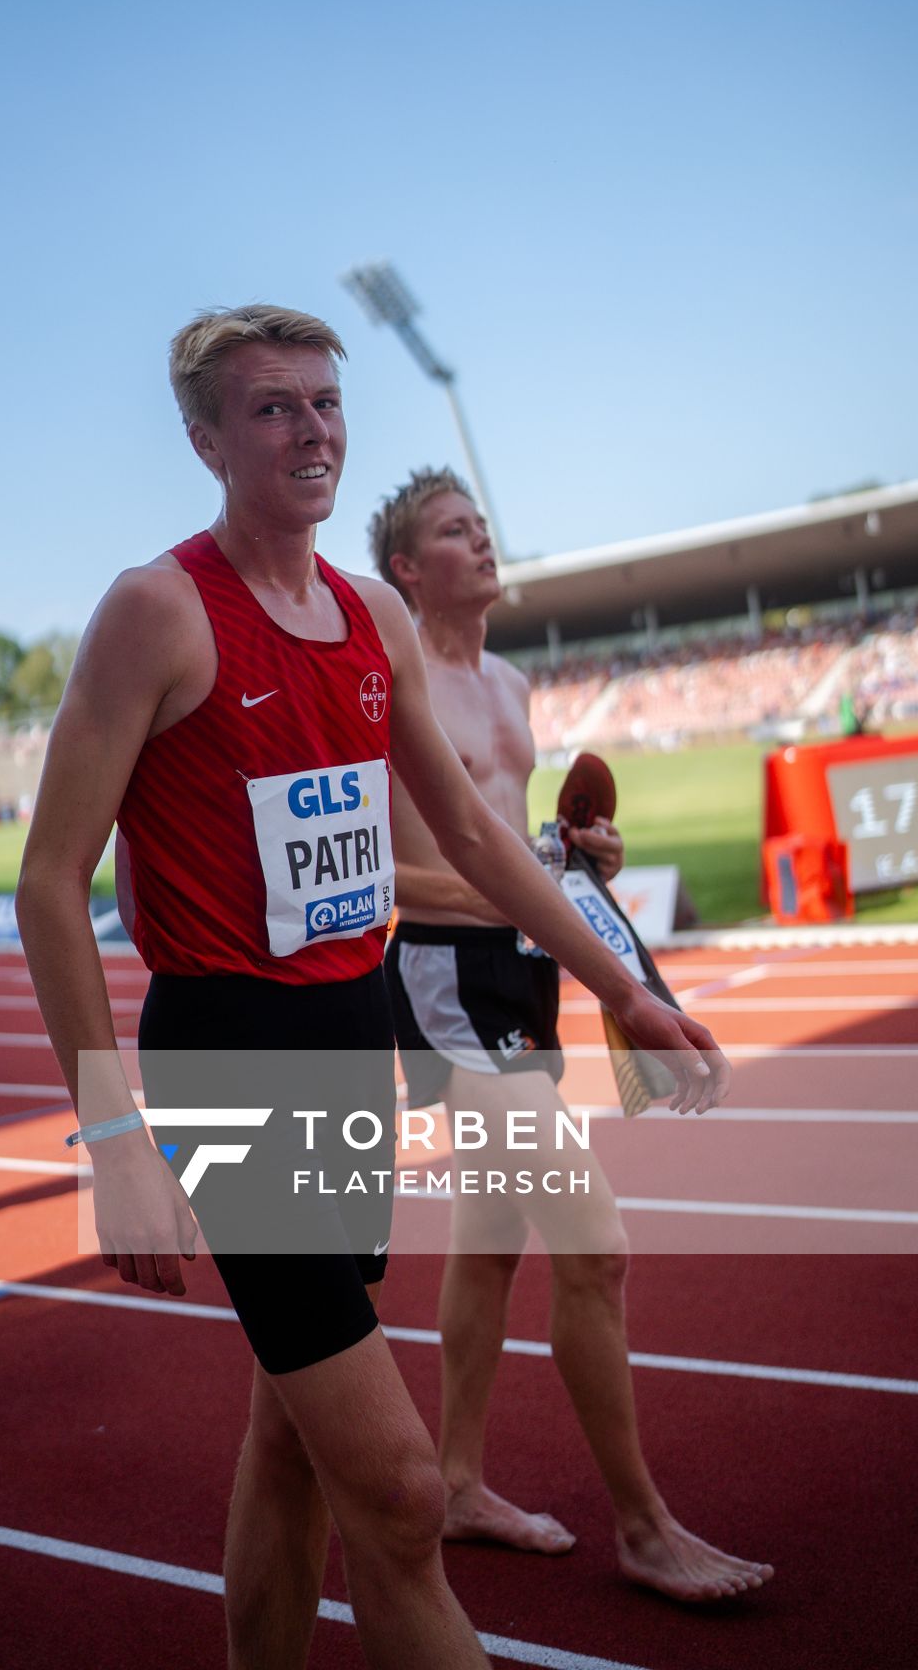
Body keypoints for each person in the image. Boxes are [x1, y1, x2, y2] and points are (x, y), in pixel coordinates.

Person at [16, 306, 730, 1670]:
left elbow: (467, 835)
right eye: (274, 407)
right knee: (399, 1493)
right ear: (207, 439)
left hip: (349, 1049)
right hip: (232, 1054)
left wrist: (621, 988)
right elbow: (52, 883)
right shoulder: (158, 610)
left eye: (327, 404)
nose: (311, 429)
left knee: (290, 1439)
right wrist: (114, 1138)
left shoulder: (371, 615)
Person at [371, 468, 773, 1602]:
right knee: (591, 1246)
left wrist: (565, 858)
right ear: (407, 568)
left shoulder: (506, 681)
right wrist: (497, 889)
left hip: (523, 970)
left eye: (481, 524)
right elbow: (388, 865)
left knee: (492, 1242)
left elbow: (505, 839)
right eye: (455, 531)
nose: (481, 540)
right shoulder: (390, 682)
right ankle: (642, 1528)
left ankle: (454, 1481)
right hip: (444, 977)